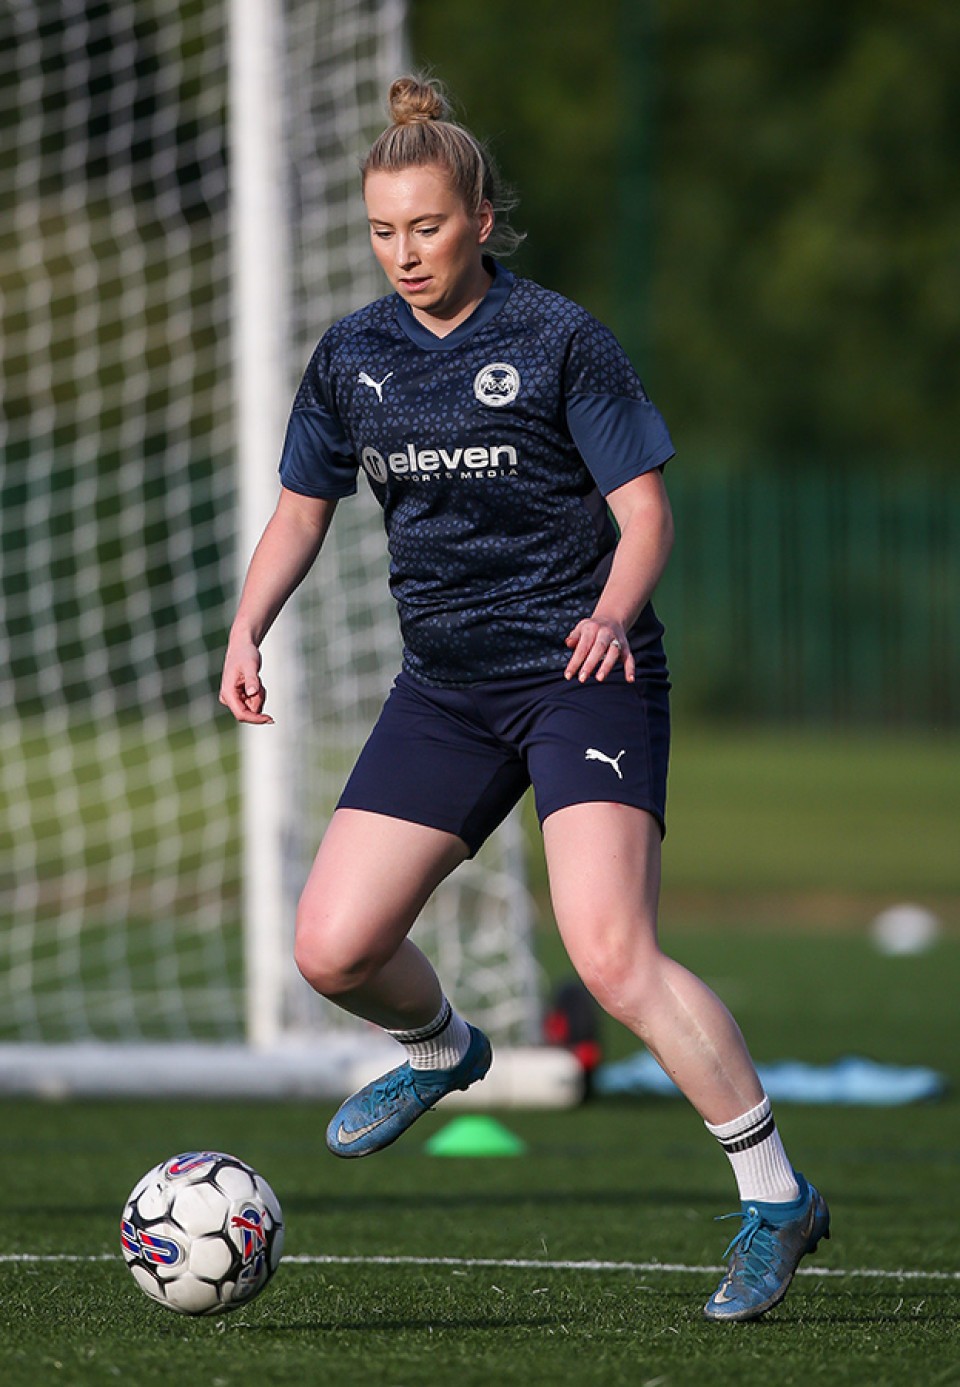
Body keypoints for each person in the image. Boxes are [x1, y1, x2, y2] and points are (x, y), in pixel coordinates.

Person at [219, 74, 829, 1323]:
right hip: (445, 689)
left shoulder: (558, 339)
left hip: (582, 676)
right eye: (385, 233)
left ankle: (776, 1196)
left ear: (482, 218)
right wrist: (246, 625)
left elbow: (645, 515)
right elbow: (299, 509)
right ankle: (444, 1049)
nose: (405, 255)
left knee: (610, 954)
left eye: (428, 228)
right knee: (332, 949)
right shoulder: (352, 355)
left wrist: (609, 612)